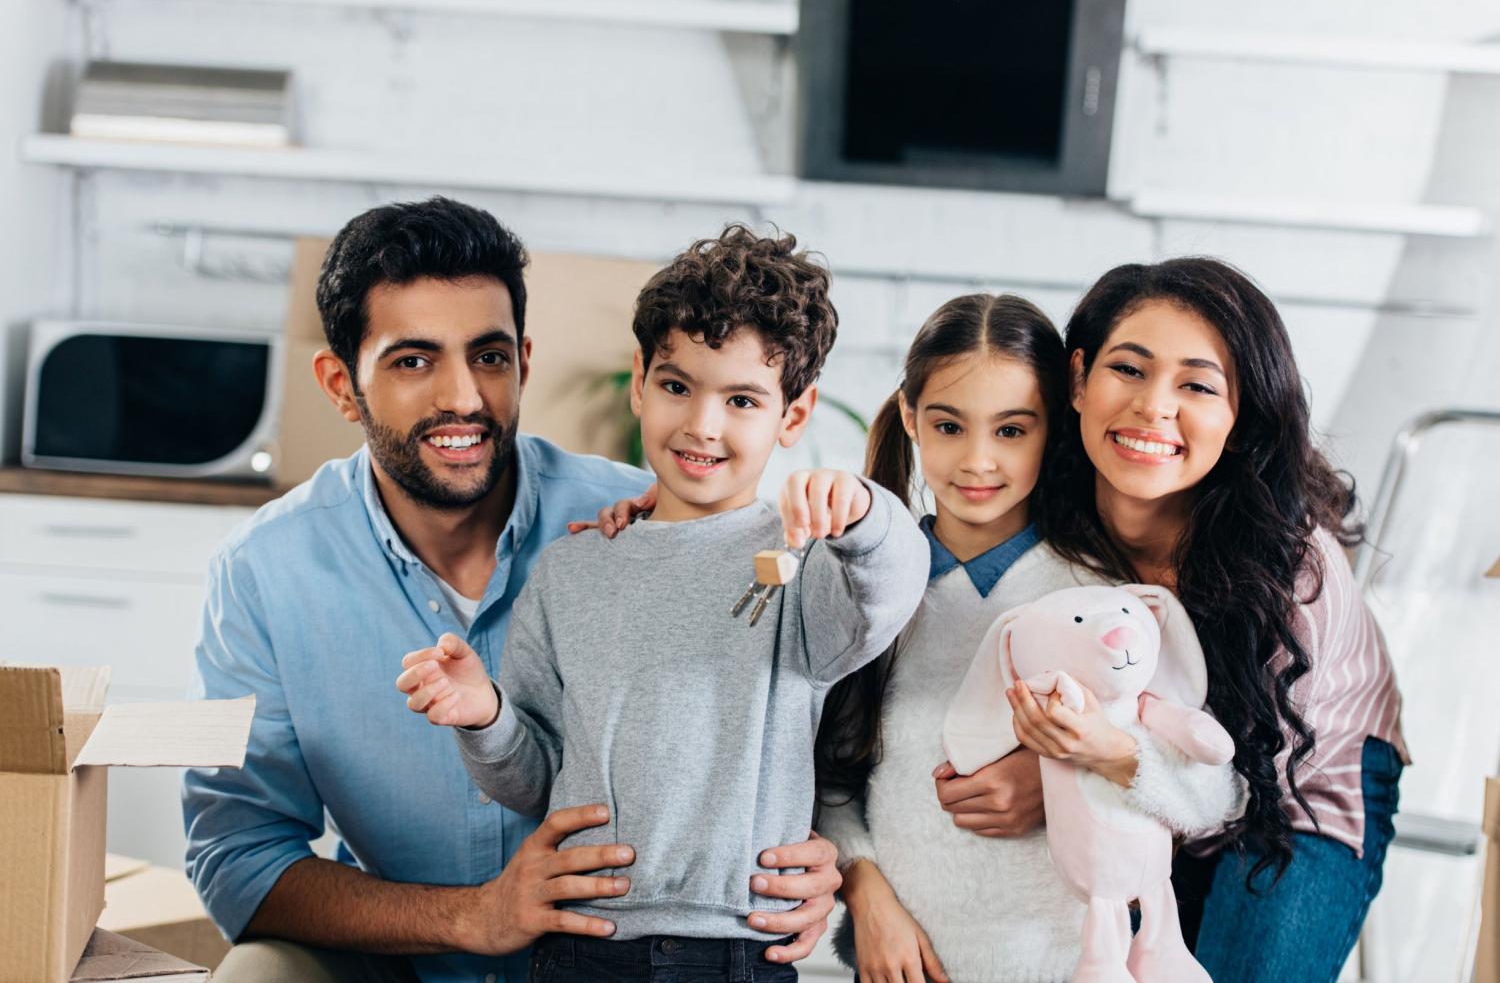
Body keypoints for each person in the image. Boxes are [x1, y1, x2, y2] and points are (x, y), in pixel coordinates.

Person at [183, 199, 844, 983]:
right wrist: (473, 917)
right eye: (413, 361)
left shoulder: (644, 534)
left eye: (489, 357)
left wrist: (834, 856)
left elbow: (809, 697)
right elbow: (239, 856)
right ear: (340, 384)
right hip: (405, 964)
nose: (463, 397)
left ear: (524, 361)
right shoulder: (265, 571)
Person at [397, 224, 929, 983]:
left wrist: (863, 508)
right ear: (641, 379)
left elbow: (892, 588)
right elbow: (533, 778)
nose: (702, 425)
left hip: (740, 951)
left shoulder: (812, 563)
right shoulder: (571, 571)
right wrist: (484, 715)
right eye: (678, 386)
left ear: (794, 415)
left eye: (742, 399)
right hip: (579, 948)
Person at [807, 293, 1242, 983]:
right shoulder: (866, 583)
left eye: (1012, 431)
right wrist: (864, 891)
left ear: (1054, 429)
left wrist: (1094, 754)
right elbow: (824, 773)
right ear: (913, 419)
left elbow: (1215, 794)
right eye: (950, 426)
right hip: (903, 964)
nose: (978, 461)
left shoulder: (1100, 600)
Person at [1034, 257, 1407, 982]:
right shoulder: (1044, 517)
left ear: (1240, 422)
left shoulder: (1293, 566)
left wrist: (1099, 761)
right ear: (1078, 379)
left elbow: (1249, 787)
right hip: (1139, 779)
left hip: (1301, 782)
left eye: (1197, 385)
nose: (1152, 407)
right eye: (1129, 370)